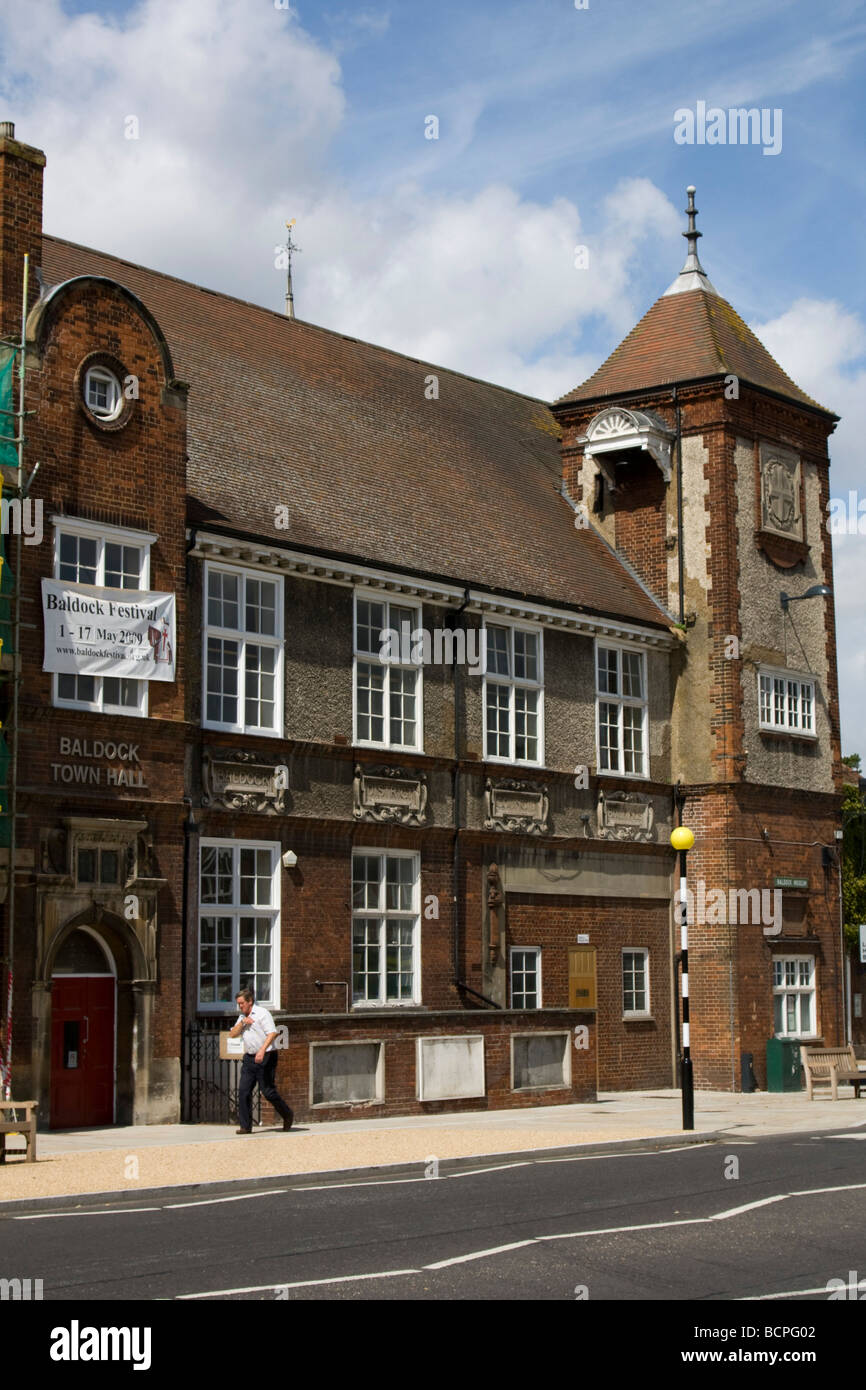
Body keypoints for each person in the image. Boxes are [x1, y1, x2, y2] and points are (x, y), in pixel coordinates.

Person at [229, 988, 293, 1134]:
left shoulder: (262, 1013)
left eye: (242, 1003)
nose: (240, 1006)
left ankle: (287, 1114)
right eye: (238, 1004)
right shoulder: (242, 1017)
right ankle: (245, 1126)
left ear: (250, 1001)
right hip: (249, 1058)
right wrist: (242, 1023)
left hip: (266, 1056)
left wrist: (262, 1050)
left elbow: (272, 1033)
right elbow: (232, 1034)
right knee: (244, 1091)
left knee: (268, 1092)